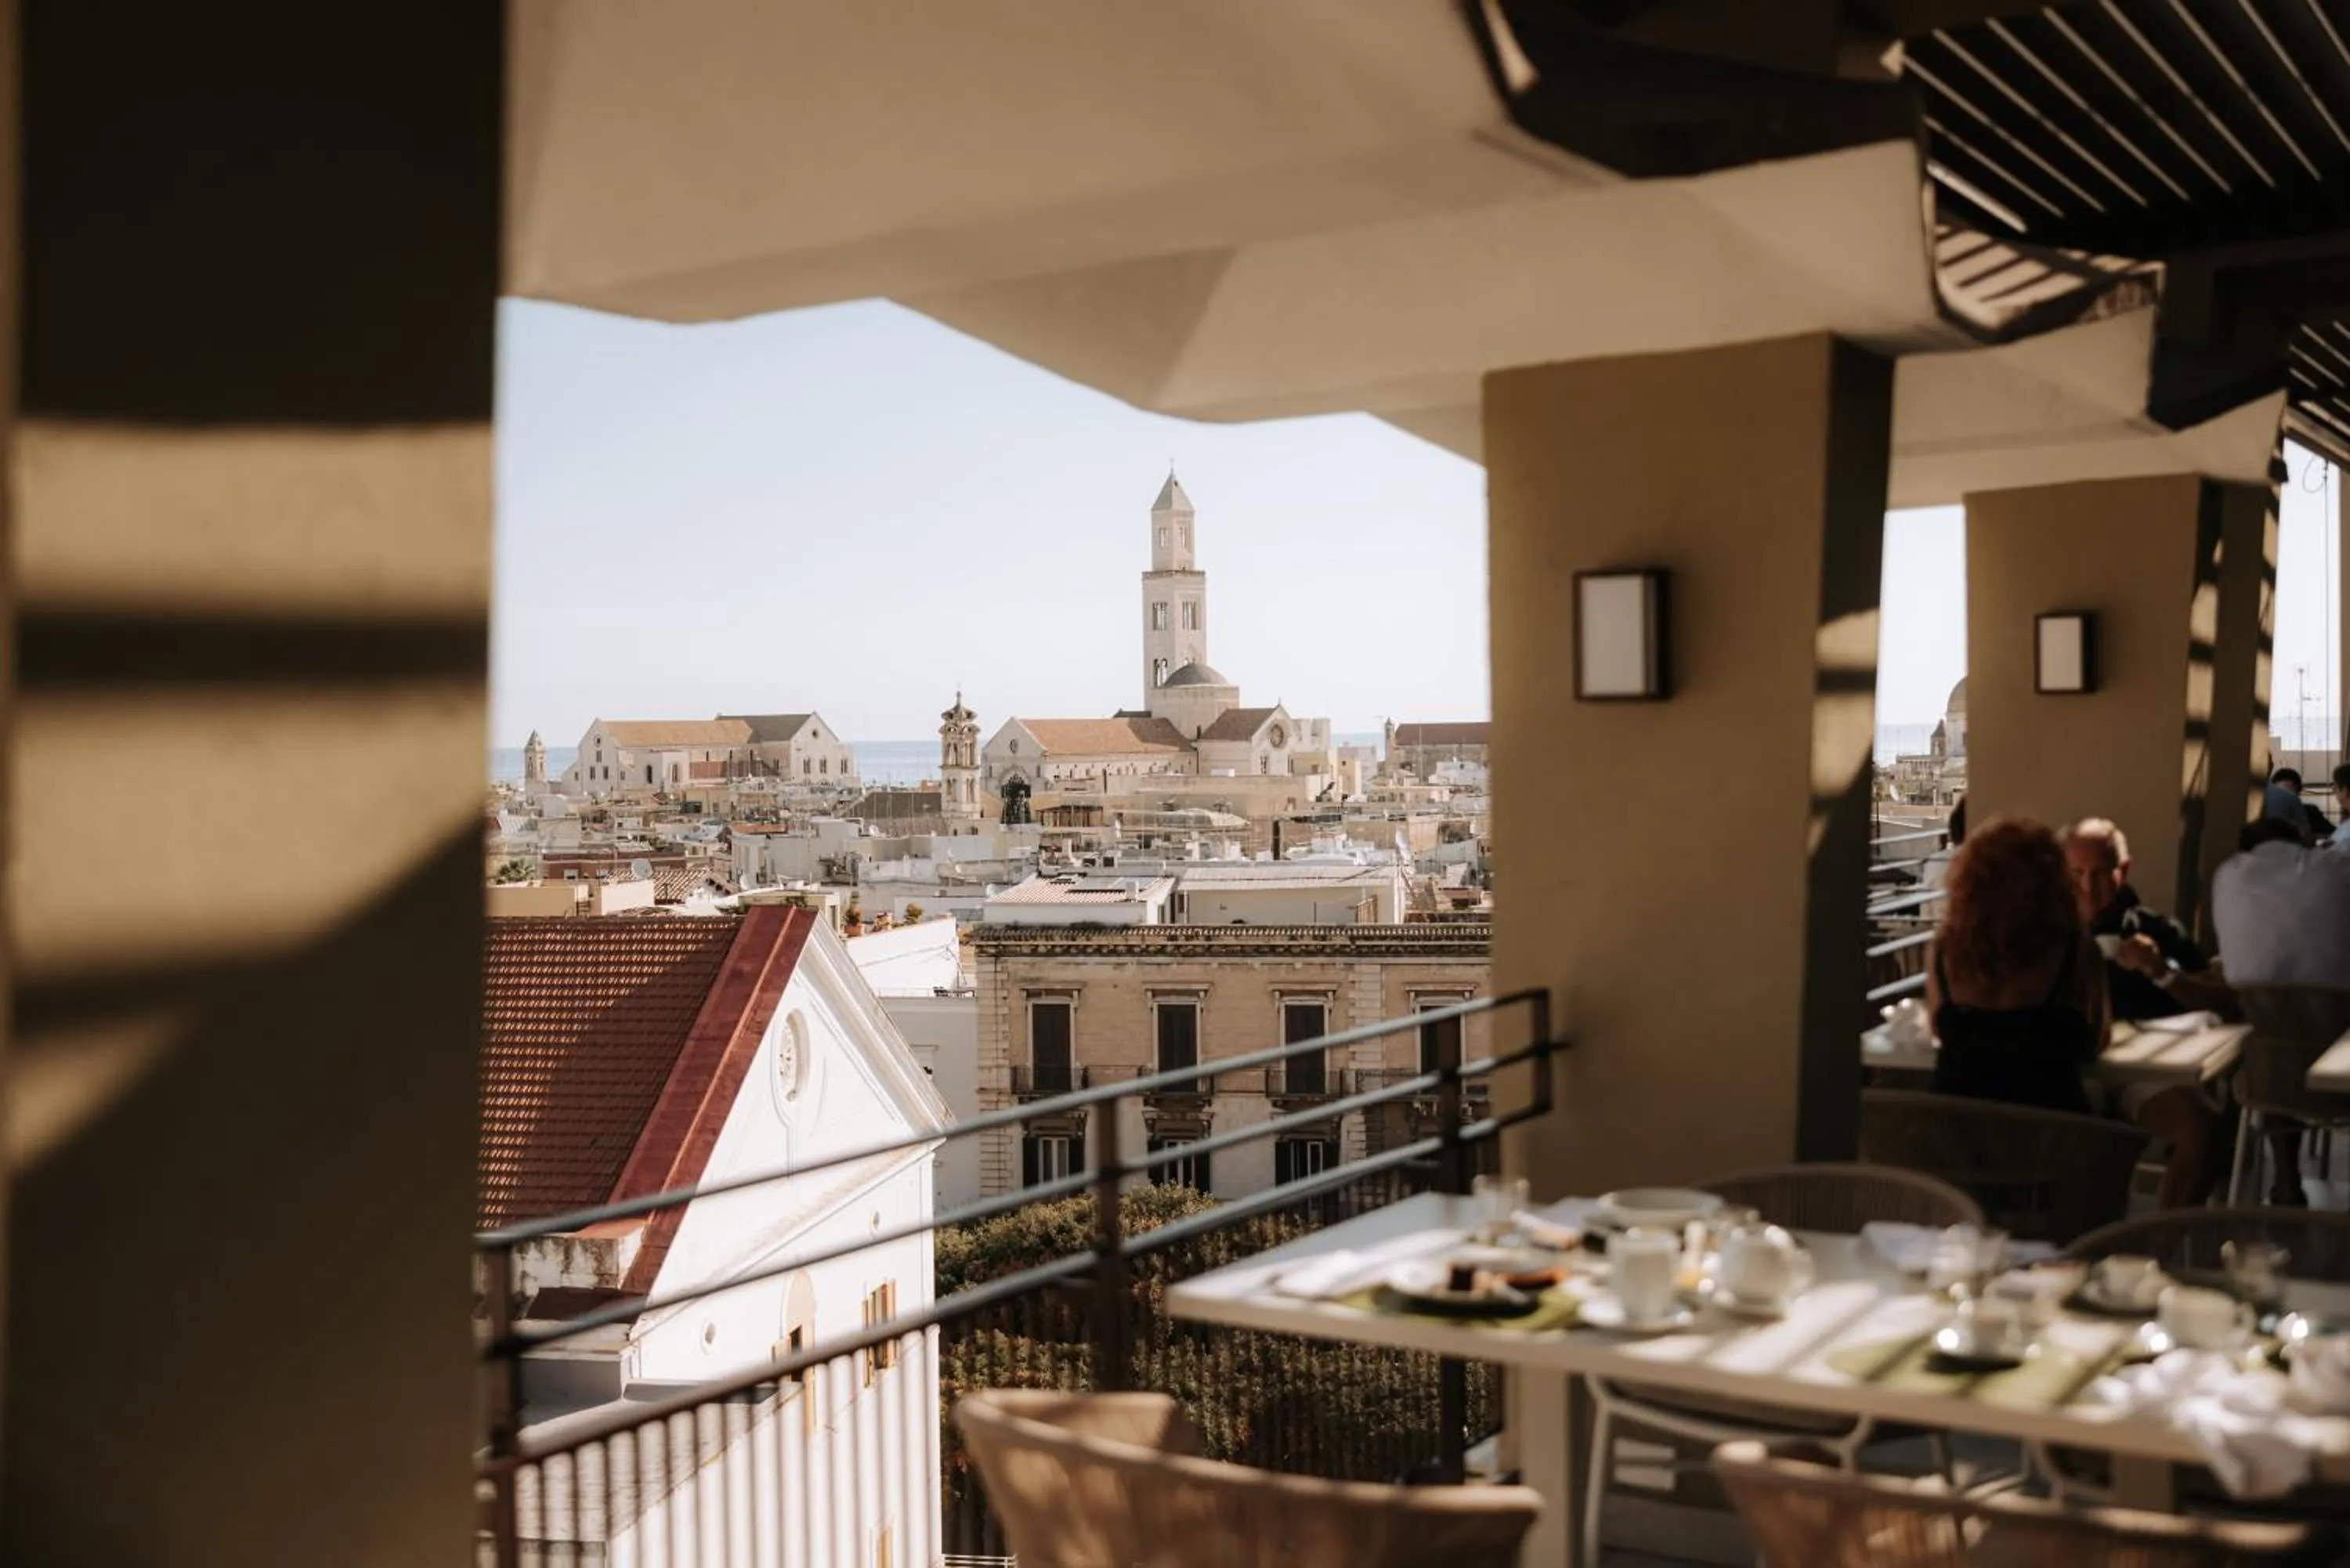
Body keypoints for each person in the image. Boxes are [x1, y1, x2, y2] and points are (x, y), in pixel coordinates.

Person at [2059, 817, 2232, 1207]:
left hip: (2141, 1075)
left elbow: (2226, 1003)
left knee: (2202, 1131)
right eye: (2077, 874)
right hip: (2068, 1071)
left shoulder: (2157, 931)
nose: (2088, 887)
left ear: (2123, 871)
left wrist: (2161, 973)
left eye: (2101, 874)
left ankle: (2156, 1249)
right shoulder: (2042, 933)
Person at [2210, 813, 2350, 1205]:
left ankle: (2286, 1180)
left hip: (2267, 1073)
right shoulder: (2337, 870)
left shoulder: (2228, 877)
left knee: (2271, 1031)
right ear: (2302, 843)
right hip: (2340, 1066)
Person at [1925, 816, 2104, 1116]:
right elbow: (2098, 1039)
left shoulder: (1944, 951)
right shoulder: (2076, 951)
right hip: (2050, 1135)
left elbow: (1936, 1029)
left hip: (1955, 1134)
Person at [2265, 767, 2331, 845]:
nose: (2285, 800)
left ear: (2298, 791)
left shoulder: (2310, 812)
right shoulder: (2268, 813)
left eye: (2288, 794)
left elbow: (2332, 834)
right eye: (2281, 794)